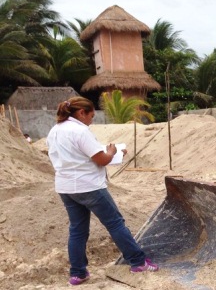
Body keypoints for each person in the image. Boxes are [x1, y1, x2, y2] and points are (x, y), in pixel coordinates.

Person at [46, 97, 158, 286]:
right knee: (115, 223)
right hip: (88, 186)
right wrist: (113, 151)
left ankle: (78, 273)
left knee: (77, 230)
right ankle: (138, 262)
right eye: (91, 116)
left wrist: (106, 154)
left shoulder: (55, 131)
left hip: (65, 187)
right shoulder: (80, 131)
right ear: (81, 113)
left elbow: (78, 157)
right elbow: (102, 160)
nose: (92, 120)